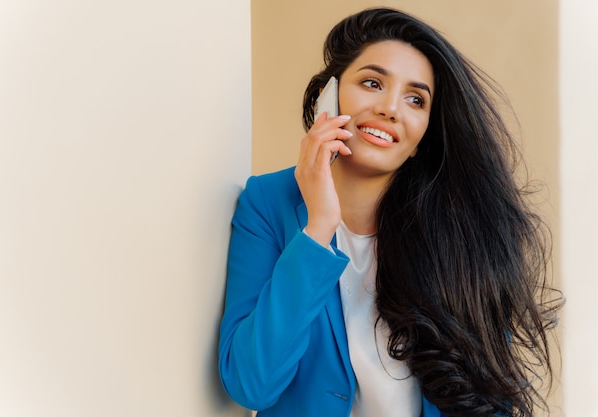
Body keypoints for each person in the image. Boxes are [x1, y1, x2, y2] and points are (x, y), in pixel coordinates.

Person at [218, 7, 561, 417]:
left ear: (422, 137)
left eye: (415, 99)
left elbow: (487, 398)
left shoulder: (460, 232)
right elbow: (250, 384)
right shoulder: (267, 203)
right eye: (372, 83)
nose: (390, 108)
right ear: (331, 95)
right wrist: (318, 230)